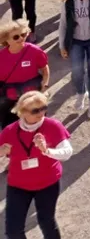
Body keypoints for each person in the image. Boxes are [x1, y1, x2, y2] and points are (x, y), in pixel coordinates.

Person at [0, 90, 71, 239]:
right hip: (18, 185)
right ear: (22, 112)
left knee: (46, 222)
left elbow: (67, 152)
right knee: (13, 230)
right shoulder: (9, 131)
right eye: (35, 110)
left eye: (43, 108)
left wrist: (46, 151)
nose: (41, 113)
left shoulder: (53, 125)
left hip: (47, 183)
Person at [0, 21, 48, 127]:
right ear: (6, 40)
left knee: (36, 124)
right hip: (10, 98)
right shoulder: (1, 57)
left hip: (31, 96)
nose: (21, 38)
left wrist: (44, 87)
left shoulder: (35, 51)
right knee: (9, 126)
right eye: (16, 37)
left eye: (23, 34)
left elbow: (45, 69)